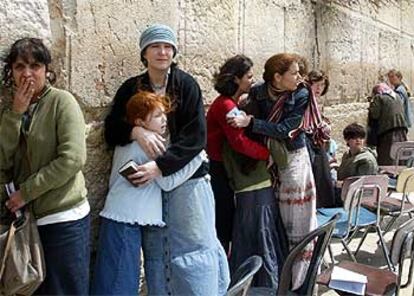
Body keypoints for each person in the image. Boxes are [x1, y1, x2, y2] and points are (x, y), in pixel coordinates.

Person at [103, 24, 229, 295]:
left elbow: (195, 138)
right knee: (158, 251)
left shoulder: (186, 84)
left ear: (174, 52)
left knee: (194, 246)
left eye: (168, 46)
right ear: (144, 53)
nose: (162, 52)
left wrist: (158, 167)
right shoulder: (132, 87)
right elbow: (111, 129)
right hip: (153, 188)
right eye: (155, 46)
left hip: (186, 178)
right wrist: (135, 131)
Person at [91, 91, 206, 294]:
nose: (164, 119)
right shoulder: (150, 143)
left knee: (118, 279)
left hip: (128, 216)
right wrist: (197, 159)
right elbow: (168, 182)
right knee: (119, 284)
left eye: (164, 114)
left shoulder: (133, 139)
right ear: (140, 122)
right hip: (126, 217)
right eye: (157, 116)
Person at [0, 38, 90, 295]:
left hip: (63, 218)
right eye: (19, 67)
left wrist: (26, 192)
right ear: (11, 72)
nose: (27, 73)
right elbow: (2, 160)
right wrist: (16, 114)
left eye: (35, 66)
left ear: (46, 70)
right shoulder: (10, 111)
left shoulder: (62, 102)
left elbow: (72, 158)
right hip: (26, 223)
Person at [228, 53, 317, 290]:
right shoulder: (259, 92)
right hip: (270, 163)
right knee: (277, 221)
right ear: (277, 77)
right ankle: (280, 277)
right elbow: (244, 110)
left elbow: (287, 129)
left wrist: (251, 123)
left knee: (298, 223)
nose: (300, 77)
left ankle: (300, 280)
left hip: (294, 162)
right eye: (294, 73)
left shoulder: (301, 94)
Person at [207, 55, 286, 289]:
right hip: (218, 170)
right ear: (237, 79)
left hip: (224, 169)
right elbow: (239, 142)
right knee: (223, 227)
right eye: (249, 76)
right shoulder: (226, 106)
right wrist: (266, 154)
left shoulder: (230, 104)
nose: (252, 81)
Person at [305, 70, 337, 208]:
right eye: (315, 84)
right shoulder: (304, 100)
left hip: (318, 146)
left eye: (322, 84)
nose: (319, 88)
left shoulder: (315, 102)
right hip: (310, 146)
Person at [368, 83, 407, 165]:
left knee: (387, 157)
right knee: (400, 156)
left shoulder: (379, 97)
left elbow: (375, 115)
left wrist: (371, 103)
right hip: (402, 131)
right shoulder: (397, 96)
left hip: (388, 132)